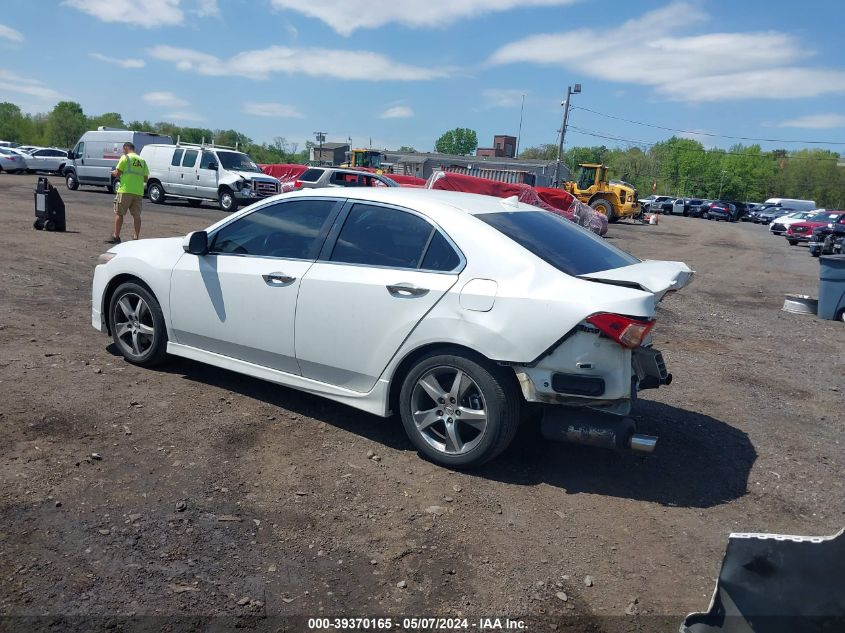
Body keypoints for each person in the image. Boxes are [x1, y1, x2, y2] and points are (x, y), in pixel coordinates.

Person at [106, 142, 149, 244]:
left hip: (125, 190)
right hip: (138, 192)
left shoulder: (125, 158)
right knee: (137, 216)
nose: (123, 151)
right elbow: (146, 179)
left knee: (119, 213)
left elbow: (117, 173)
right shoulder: (142, 161)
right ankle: (136, 237)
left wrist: (113, 173)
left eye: (123, 149)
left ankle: (116, 236)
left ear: (126, 148)